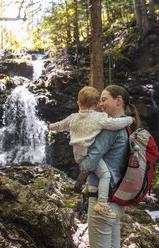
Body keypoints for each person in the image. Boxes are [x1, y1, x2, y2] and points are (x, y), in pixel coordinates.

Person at [48, 86, 133, 219]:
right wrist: (129, 120)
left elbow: (61, 125)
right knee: (105, 175)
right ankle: (102, 203)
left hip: (78, 156)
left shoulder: (73, 117)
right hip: (90, 155)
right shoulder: (100, 118)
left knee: (94, 168)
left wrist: (50, 126)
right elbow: (114, 124)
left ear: (79, 103)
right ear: (97, 104)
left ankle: (86, 187)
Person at [79, 85, 141, 248]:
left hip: (102, 201)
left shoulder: (112, 128)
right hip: (116, 201)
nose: (100, 104)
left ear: (118, 100)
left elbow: (90, 163)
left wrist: (81, 161)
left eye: (104, 99)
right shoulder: (128, 128)